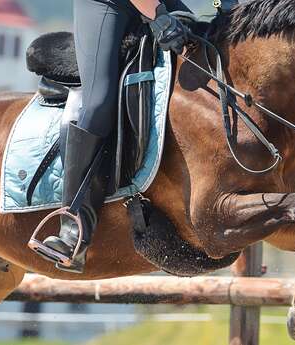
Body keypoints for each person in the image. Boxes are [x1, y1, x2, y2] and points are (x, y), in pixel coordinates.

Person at [34, 0, 191, 274]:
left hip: (158, 3)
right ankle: (73, 225)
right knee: (99, 103)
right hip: (105, 4)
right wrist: (159, 16)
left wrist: (225, 10)